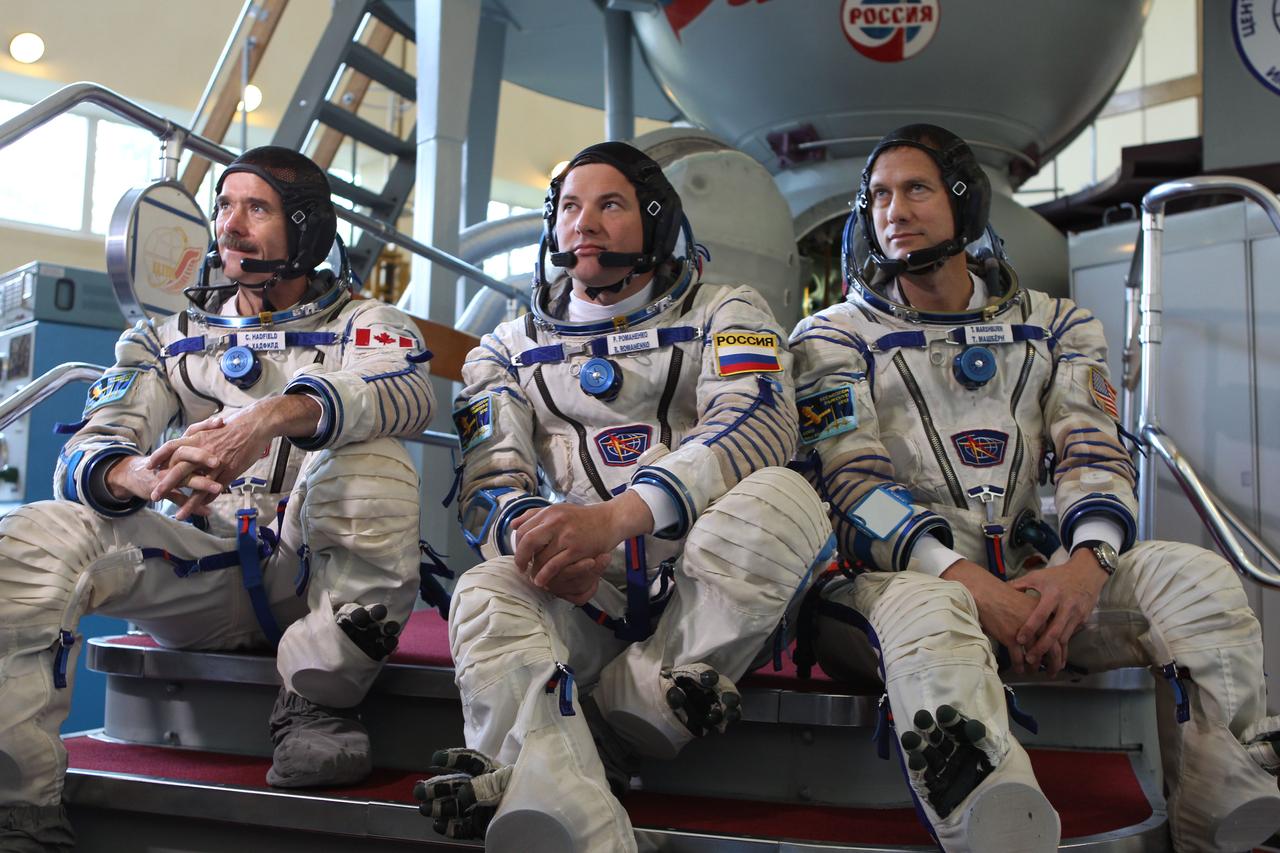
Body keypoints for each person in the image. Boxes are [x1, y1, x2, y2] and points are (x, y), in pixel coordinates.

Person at [789, 124, 1280, 853]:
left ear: (965, 202)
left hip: (1033, 585)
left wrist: (1084, 570)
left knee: (1197, 579)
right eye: (879, 196)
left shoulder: (1057, 326)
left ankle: (1224, 800)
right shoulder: (830, 335)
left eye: (916, 188)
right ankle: (992, 811)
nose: (893, 210)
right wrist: (965, 580)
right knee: (932, 611)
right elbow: (853, 484)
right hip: (887, 590)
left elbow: (1094, 450)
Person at [0, 146, 434, 851]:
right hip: (205, 568)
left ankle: (316, 703)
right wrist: (138, 476)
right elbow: (87, 449)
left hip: (314, 573)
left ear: (307, 230)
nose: (230, 225)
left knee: (376, 466)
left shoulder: (367, 323)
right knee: (36, 537)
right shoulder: (167, 340)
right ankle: (17, 805)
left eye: (256, 208)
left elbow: (404, 393)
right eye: (224, 206)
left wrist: (265, 419)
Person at [414, 141, 832, 852]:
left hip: (703, 578)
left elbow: (756, 425)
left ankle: (597, 728)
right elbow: (491, 487)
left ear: (658, 222)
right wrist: (543, 547)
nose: (587, 222)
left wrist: (615, 519)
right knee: (486, 590)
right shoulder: (505, 349)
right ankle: (587, 802)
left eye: (611, 204)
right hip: (587, 582)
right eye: (571, 207)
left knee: (787, 498)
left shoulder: (728, 310)